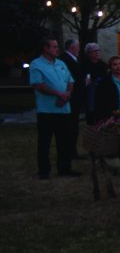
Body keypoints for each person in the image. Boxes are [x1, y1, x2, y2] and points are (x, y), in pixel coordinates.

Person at [29, 37, 77, 178]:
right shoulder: (36, 64)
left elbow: (70, 81)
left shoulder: (61, 63)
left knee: (65, 141)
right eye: (54, 46)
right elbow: (38, 85)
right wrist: (58, 94)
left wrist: (66, 95)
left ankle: (64, 168)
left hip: (64, 109)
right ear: (45, 48)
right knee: (45, 142)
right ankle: (44, 171)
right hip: (47, 111)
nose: (57, 49)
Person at [59, 39, 84, 157]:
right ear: (72, 47)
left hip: (75, 96)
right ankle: (70, 151)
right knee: (71, 125)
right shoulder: (65, 60)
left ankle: (72, 150)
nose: (79, 49)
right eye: (77, 46)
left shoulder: (74, 59)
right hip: (71, 97)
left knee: (74, 125)